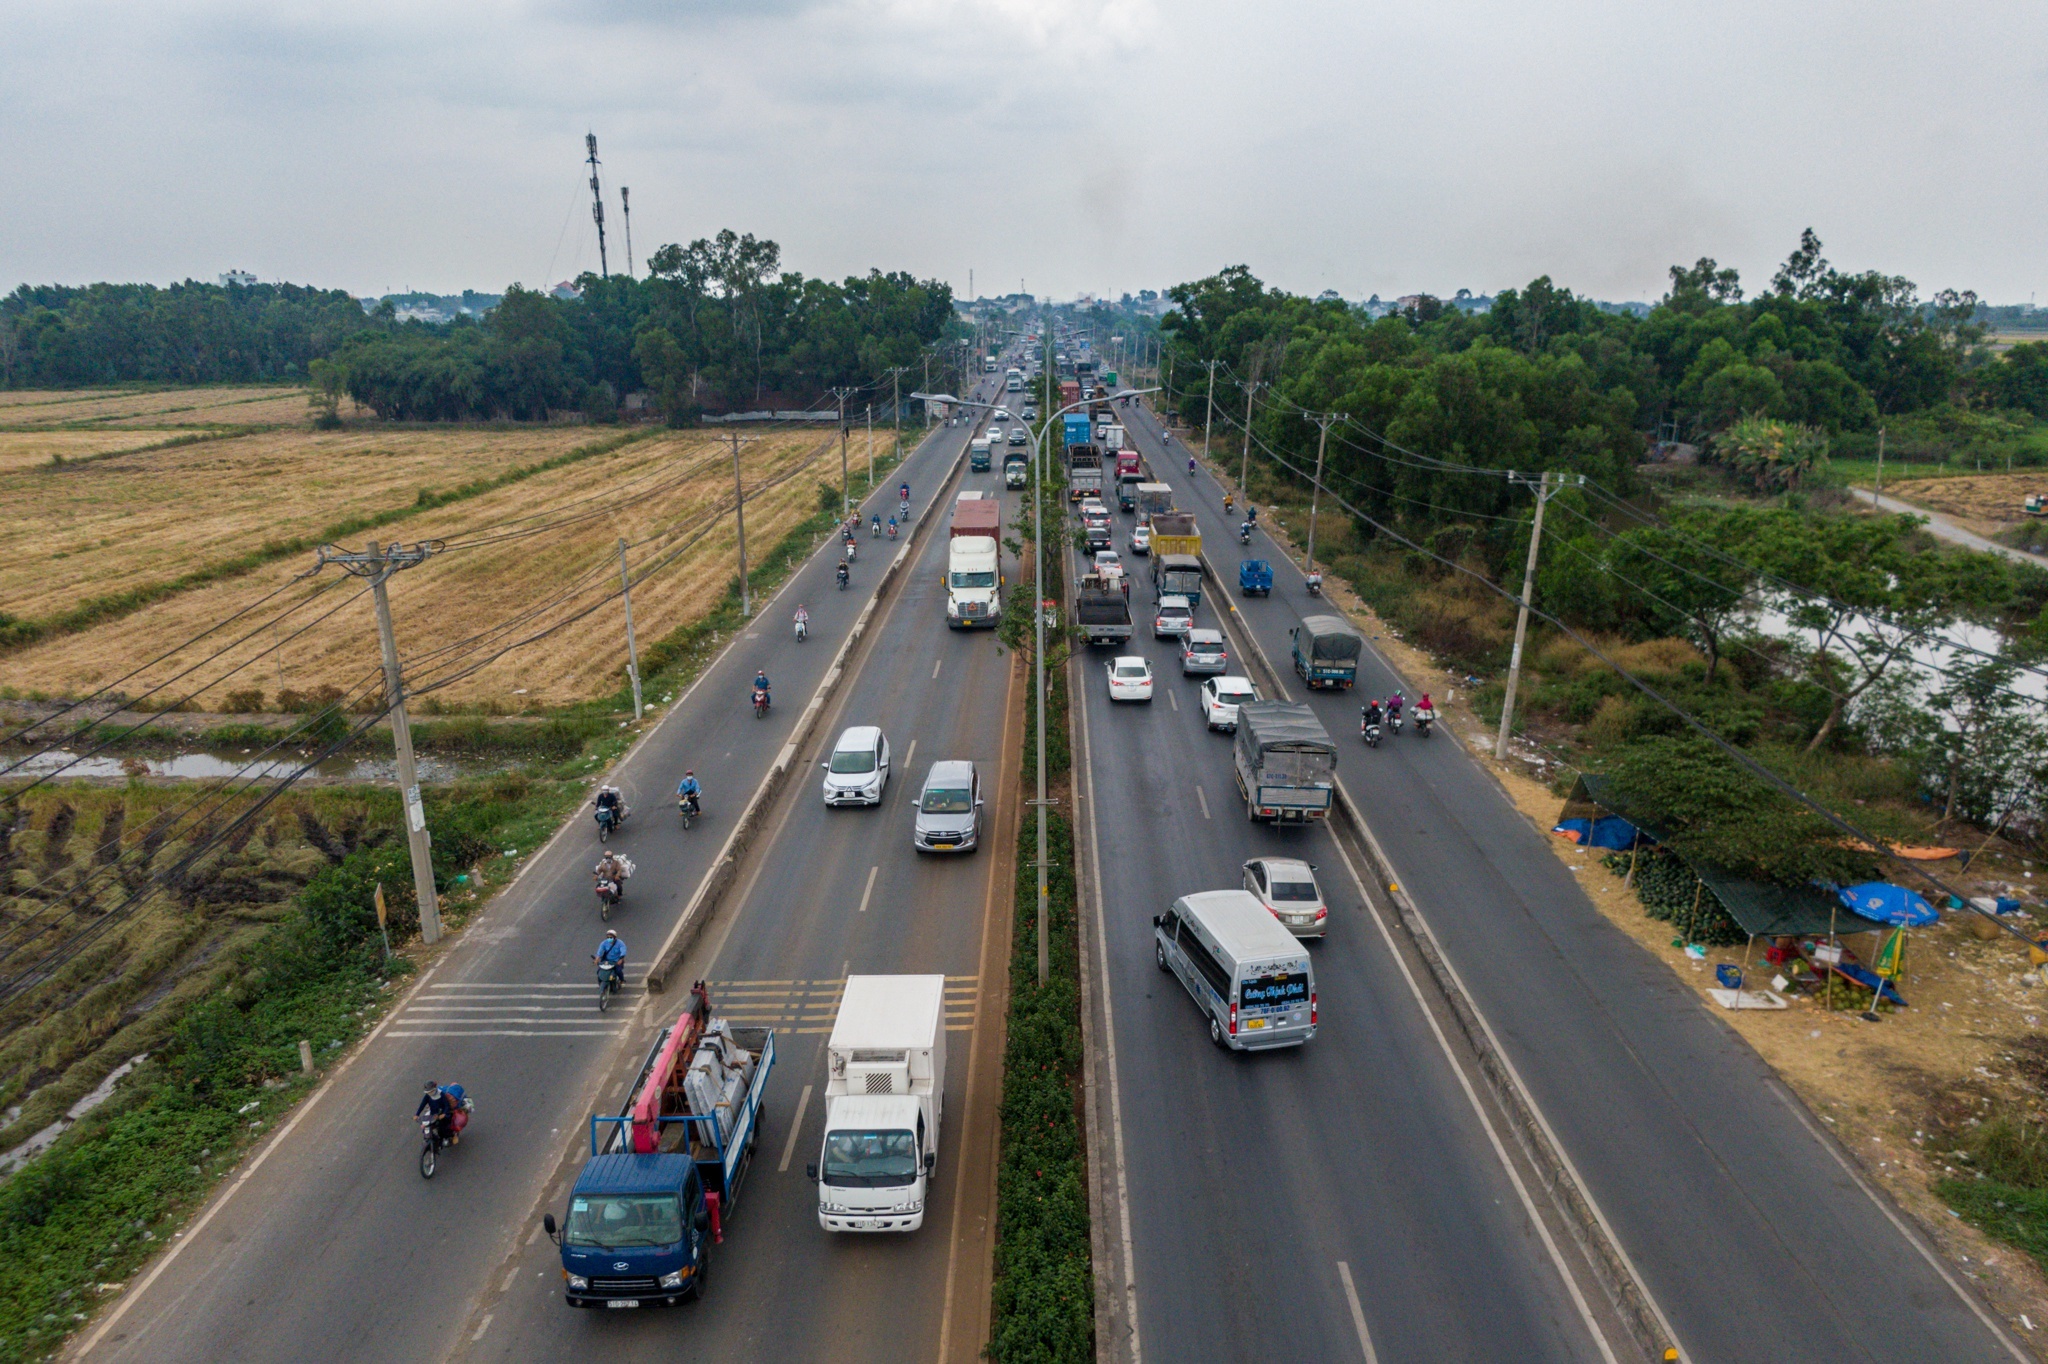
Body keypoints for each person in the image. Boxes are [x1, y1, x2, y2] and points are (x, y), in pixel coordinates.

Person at [418, 1082, 458, 1147]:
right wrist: (417, 1114)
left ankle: (450, 1136)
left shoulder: (441, 1095)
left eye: (431, 1091)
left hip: (442, 1113)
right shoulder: (427, 1096)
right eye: (428, 1092)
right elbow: (422, 1105)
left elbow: (446, 1105)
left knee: (443, 1126)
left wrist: (444, 1114)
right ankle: (429, 1139)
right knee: (426, 1126)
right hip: (434, 1112)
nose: (430, 1093)